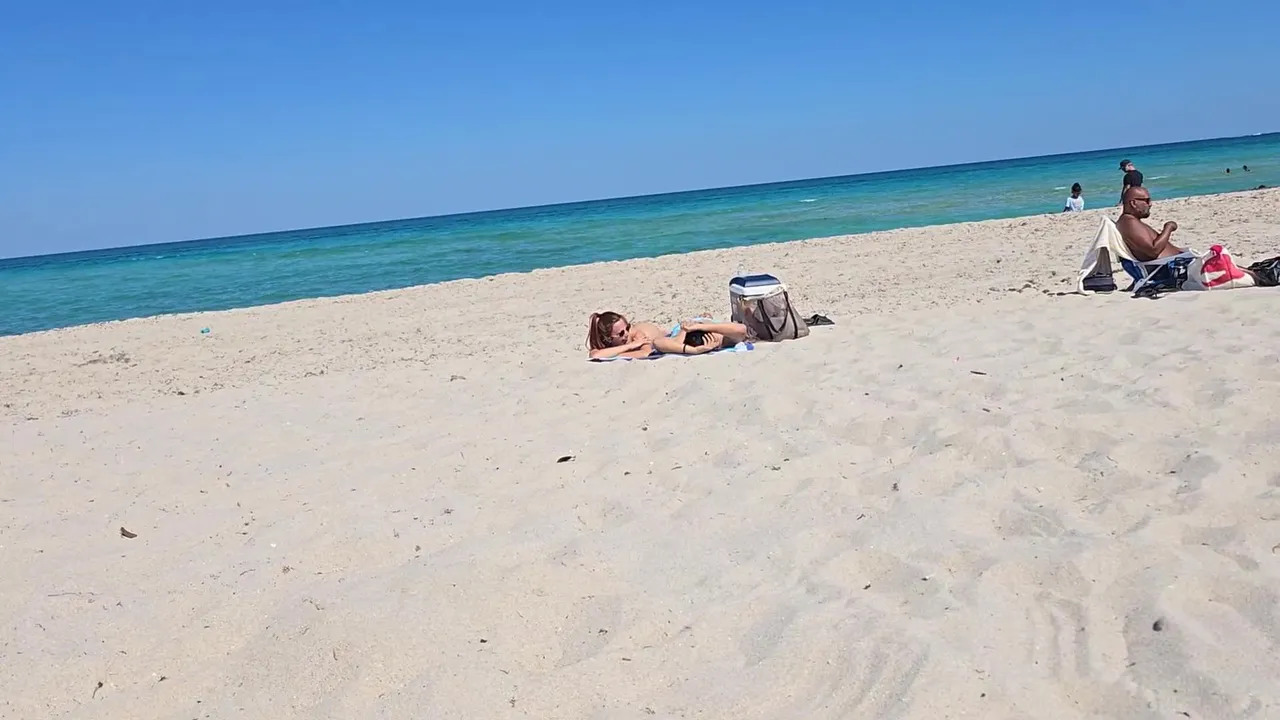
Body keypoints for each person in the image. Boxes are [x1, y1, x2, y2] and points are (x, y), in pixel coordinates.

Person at [586, 311, 752, 359]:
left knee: (740, 331)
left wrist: (699, 326)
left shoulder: (638, 335)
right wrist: (630, 346)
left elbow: (646, 352)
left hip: (685, 334)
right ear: (608, 339)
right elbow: (595, 354)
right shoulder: (631, 342)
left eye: (627, 327)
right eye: (621, 333)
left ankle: (702, 325)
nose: (627, 333)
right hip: (682, 338)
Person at [1116, 186, 1185, 262]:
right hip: (1171, 265)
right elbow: (1154, 250)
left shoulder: (1129, 221)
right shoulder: (1129, 223)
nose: (1150, 204)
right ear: (1133, 203)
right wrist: (1168, 227)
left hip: (1175, 261)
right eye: (1147, 201)